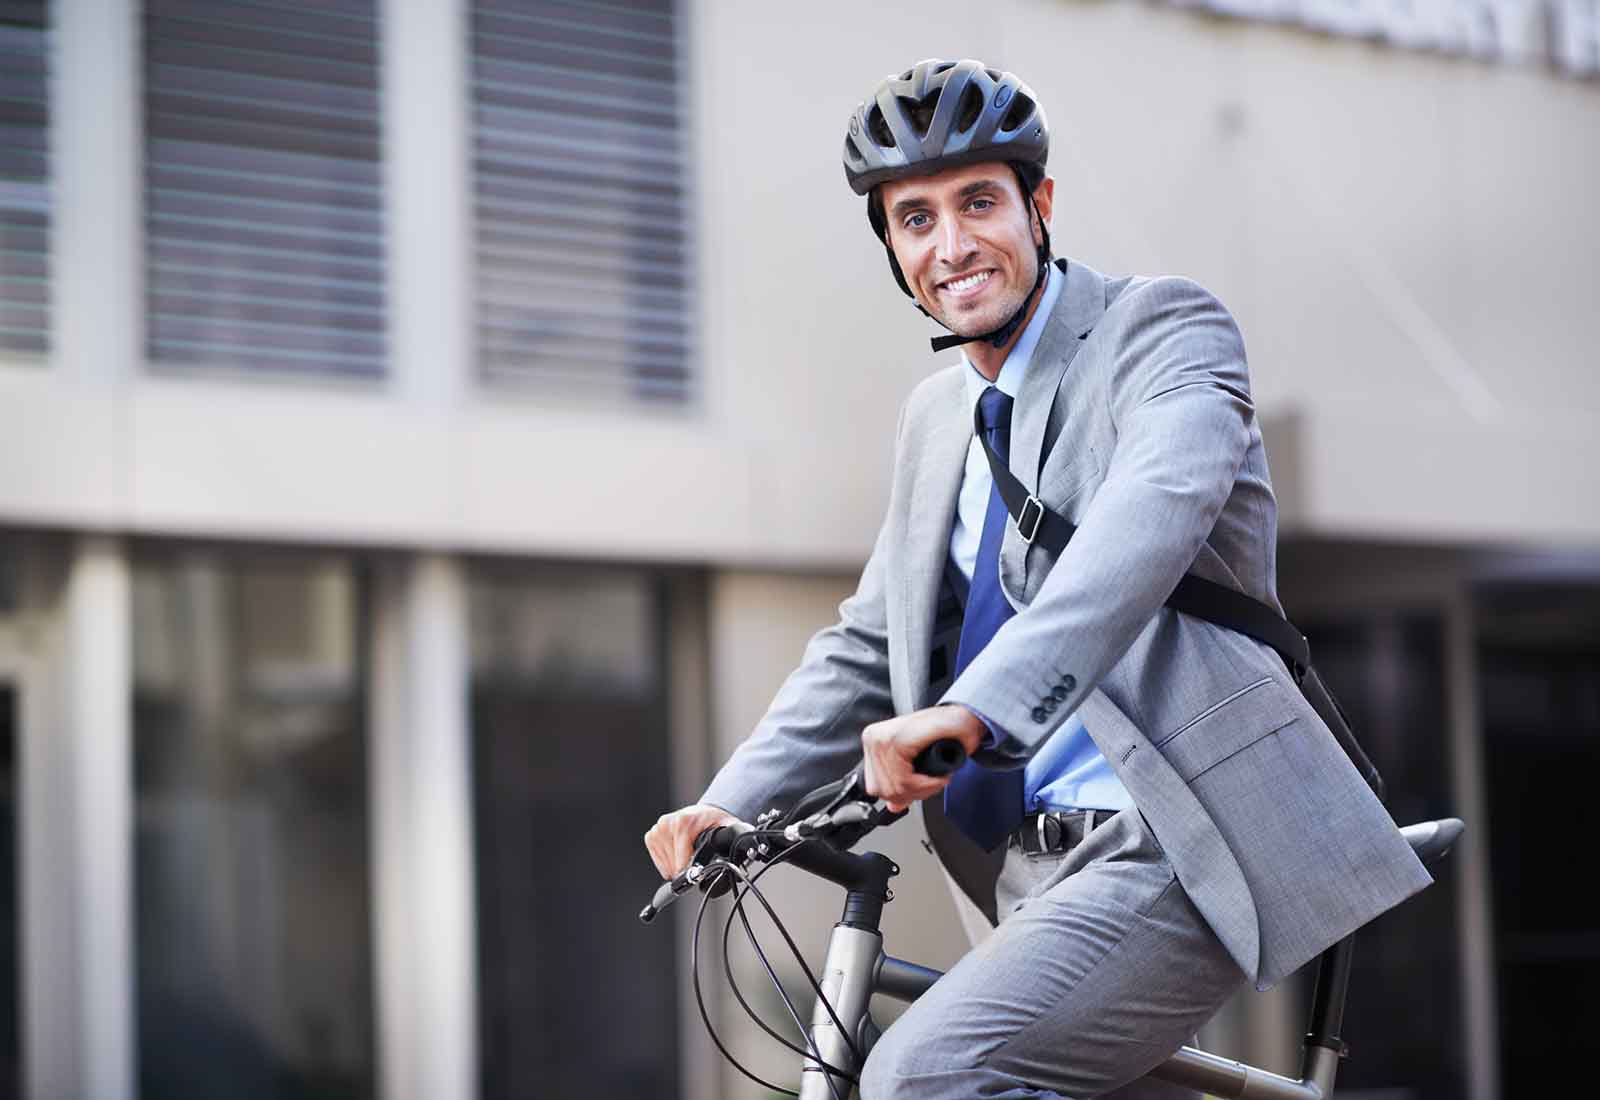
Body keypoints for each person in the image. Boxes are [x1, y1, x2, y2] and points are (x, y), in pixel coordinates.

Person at [644, 59, 1430, 1099]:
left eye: (978, 202)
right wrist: (727, 802)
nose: (952, 244)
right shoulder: (935, 420)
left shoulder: (1161, 334)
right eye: (915, 219)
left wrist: (974, 707)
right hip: (1021, 873)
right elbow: (867, 643)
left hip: (1182, 840)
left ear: (1039, 204)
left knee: (921, 1072)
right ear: (891, 247)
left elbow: (1140, 532)